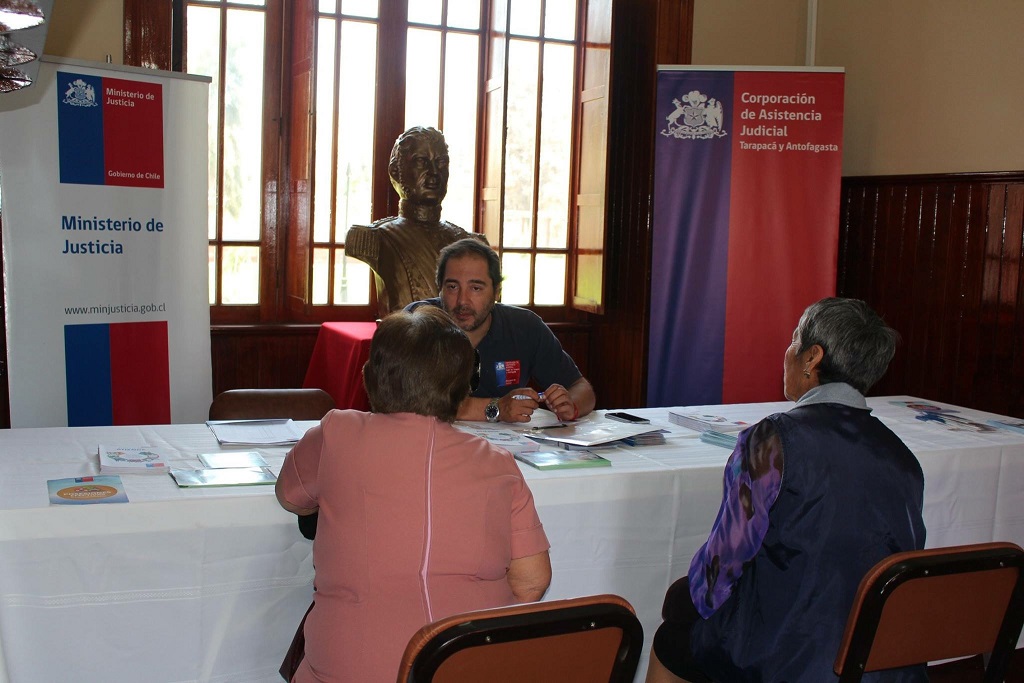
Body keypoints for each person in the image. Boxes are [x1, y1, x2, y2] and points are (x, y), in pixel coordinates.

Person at [646, 297, 927, 683]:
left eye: (794, 340)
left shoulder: (773, 439)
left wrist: (687, 602)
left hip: (791, 656)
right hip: (879, 655)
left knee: (673, 634)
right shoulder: (901, 456)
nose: (788, 351)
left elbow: (725, 561)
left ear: (812, 357)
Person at [275, 306, 552, 682]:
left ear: (369, 375)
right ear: (462, 388)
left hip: (347, 670)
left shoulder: (336, 432)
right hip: (467, 666)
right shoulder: (498, 463)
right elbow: (532, 581)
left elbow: (291, 497)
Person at [408, 237, 597, 424]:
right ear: (439, 289)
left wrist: (571, 405)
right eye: (452, 287)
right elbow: (405, 399)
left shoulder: (524, 326)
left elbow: (581, 387)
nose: (462, 301)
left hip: (506, 449)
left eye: (476, 288)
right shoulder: (416, 322)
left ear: (497, 291)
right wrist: (497, 408)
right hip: (428, 445)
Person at [345, 126, 483, 317]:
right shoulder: (372, 238)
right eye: (421, 162)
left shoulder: (470, 242)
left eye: (441, 162)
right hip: (404, 344)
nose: (434, 173)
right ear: (395, 171)